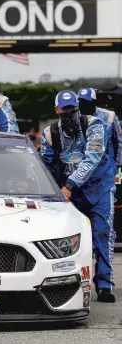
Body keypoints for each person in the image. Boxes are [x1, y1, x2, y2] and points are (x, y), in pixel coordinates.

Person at [40, 90, 116, 303]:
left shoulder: (94, 125)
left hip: (100, 188)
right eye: (64, 109)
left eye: (72, 109)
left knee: (103, 233)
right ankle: (66, 281)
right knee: (68, 237)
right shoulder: (49, 134)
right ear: (57, 110)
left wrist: (70, 184)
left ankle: (104, 285)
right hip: (69, 193)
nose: (69, 113)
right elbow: (47, 166)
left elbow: (92, 158)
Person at [78, 87, 122, 173]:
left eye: (86, 101)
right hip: (84, 169)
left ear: (94, 101)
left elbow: (118, 141)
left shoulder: (109, 115)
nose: (83, 104)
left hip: (107, 168)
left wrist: (118, 165)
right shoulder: (75, 117)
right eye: (81, 101)